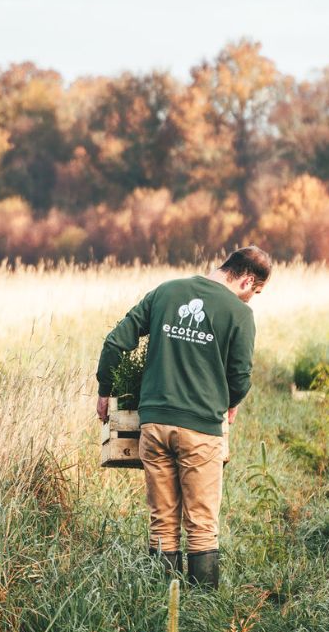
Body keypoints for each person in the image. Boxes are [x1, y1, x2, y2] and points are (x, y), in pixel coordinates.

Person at [95, 246, 272, 588]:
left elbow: (116, 342)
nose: (252, 300)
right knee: (202, 523)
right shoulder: (240, 313)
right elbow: (240, 377)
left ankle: (160, 600)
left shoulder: (167, 291)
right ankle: (202, 611)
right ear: (248, 281)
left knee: (162, 520)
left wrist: (106, 390)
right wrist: (229, 402)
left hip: (154, 424)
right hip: (201, 429)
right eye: (256, 293)